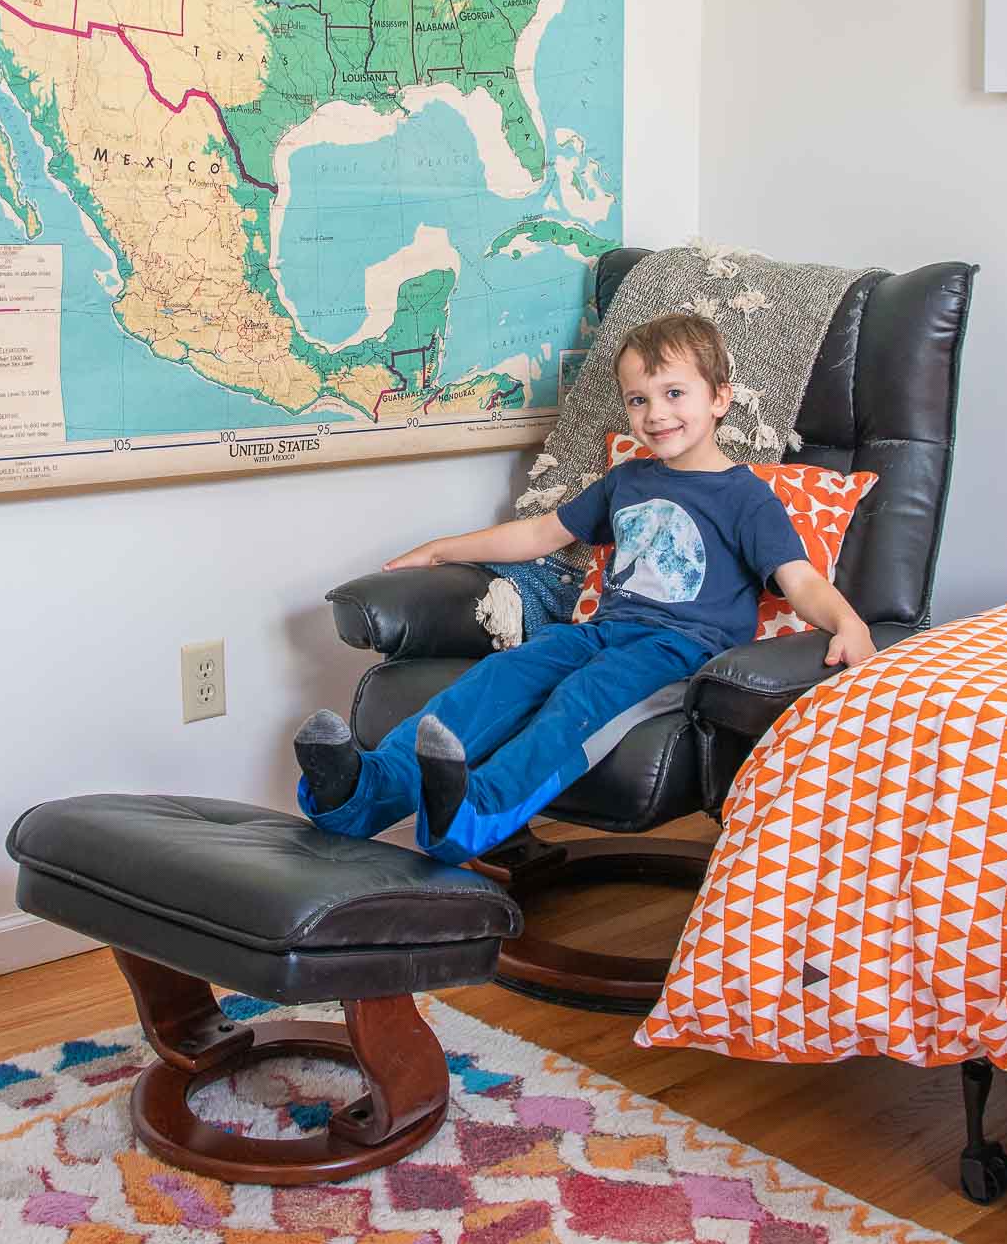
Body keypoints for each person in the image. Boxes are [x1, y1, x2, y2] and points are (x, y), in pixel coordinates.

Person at [294, 313, 876, 864]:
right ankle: (361, 793)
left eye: (675, 393)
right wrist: (445, 548)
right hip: (598, 632)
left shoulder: (745, 497)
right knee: (500, 676)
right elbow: (541, 533)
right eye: (638, 399)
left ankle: (474, 811)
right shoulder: (627, 479)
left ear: (719, 398)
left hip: (677, 653)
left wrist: (848, 625)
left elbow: (798, 580)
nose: (655, 413)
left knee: (580, 702)